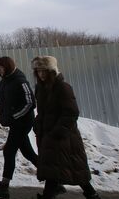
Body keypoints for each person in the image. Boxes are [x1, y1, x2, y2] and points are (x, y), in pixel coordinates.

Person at [31, 56, 101, 199]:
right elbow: (41, 111)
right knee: (53, 167)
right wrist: (38, 125)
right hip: (47, 134)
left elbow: (71, 112)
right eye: (38, 71)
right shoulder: (40, 88)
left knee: (73, 166)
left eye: (44, 71)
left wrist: (58, 132)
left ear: (51, 71)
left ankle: (90, 193)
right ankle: (50, 194)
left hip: (65, 137)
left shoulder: (63, 87)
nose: (41, 74)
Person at [0, 56, 38, 199]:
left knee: (9, 151)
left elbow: (30, 103)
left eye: (0, 68)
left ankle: (4, 187)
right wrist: (3, 115)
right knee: (28, 152)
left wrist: (14, 116)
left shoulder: (20, 81)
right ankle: (53, 180)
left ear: (7, 67)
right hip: (15, 123)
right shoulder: (5, 81)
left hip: (23, 122)